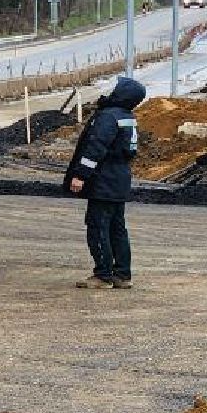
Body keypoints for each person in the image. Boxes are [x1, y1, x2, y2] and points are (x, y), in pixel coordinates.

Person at [64, 76, 144, 290]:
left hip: (103, 181)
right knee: (117, 229)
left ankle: (103, 275)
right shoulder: (127, 117)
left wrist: (81, 175)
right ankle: (122, 274)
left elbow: (95, 149)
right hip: (119, 180)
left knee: (98, 227)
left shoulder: (108, 117)